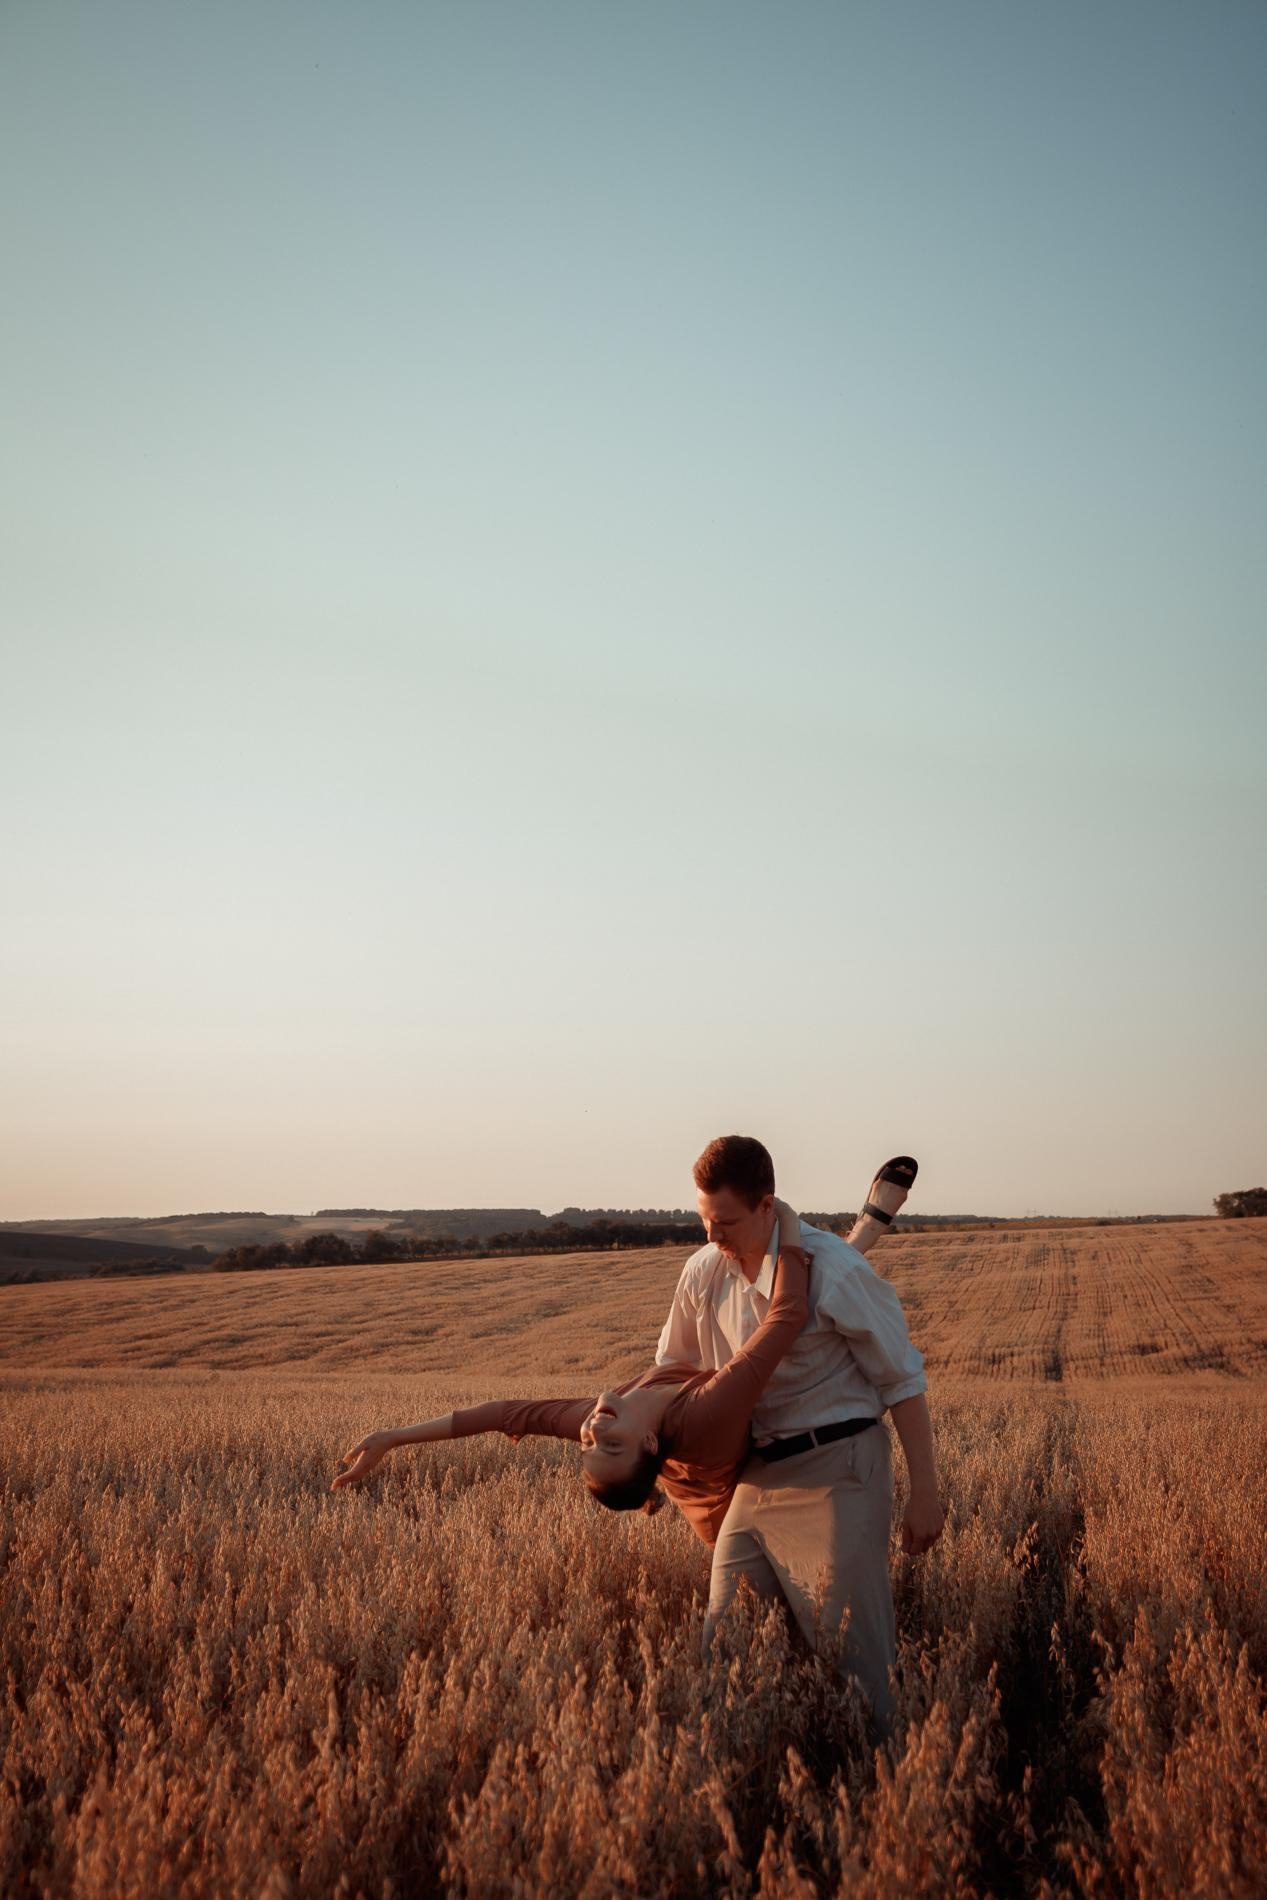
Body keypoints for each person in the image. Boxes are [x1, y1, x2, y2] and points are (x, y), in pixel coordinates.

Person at [330, 1161, 912, 1544]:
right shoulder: (703, 1414)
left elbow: (499, 1414)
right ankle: (858, 1241)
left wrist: (394, 1437)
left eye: (588, 1444)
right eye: (608, 1443)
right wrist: (786, 1223)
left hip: (671, 1445)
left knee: (730, 1325)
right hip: (739, 1484)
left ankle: (854, 1246)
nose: (592, 1431)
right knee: (786, 1319)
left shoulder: (604, 1418)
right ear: (652, 1444)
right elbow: (785, 1316)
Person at [655, 1135, 943, 1738]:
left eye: (725, 1222)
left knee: (856, 1662)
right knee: (725, 1651)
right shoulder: (702, 1273)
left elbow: (903, 1380)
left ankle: (888, 1794)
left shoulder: (836, 1269)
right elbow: (672, 1376)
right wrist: (650, 1458)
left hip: (840, 1470)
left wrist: (925, 1491)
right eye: (703, 1221)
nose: (712, 1237)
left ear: (767, 1207)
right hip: (756, 1479)